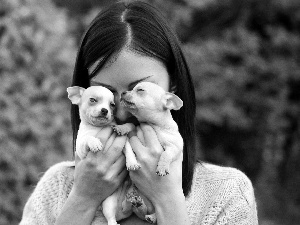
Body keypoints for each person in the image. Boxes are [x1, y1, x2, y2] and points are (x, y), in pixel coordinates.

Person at [20, 1, 258, 224]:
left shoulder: (226, 194)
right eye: (105, 92)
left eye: (138, 89)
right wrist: (82, 200)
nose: (120, 111)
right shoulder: (57, 187)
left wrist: (167, 200)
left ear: (172, 86)